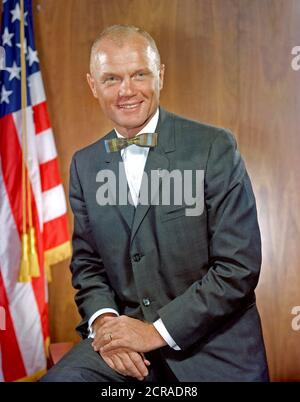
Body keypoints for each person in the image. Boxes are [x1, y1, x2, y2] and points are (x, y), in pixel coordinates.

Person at [41, 24, 269, 382]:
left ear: (160, 76)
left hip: (212, 352)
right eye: (111, 78)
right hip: (124, 351)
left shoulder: (213, 148)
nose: (126, 91)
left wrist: (153, 332)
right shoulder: (84, 165)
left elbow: (237, 268)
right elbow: (88, 266)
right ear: (93, 85)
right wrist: (106, 325)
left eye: (139, 74)